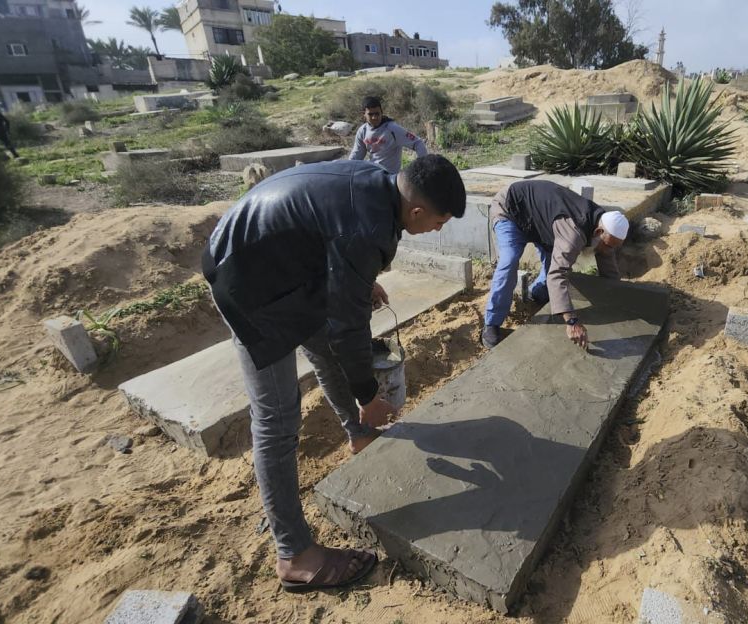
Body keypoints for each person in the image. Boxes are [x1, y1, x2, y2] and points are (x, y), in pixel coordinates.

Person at [202, 155, 466, 592]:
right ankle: (295, 555)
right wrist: (369, 396)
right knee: (276, 420)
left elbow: (331, 241)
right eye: (440, 222)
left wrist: (358, 280)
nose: (438, 230)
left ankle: (359, 435)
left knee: (321, 346)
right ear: (417, 211)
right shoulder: (367, 229)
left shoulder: (376, 185)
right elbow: (349, 331)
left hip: (275, 263)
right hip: (246, 283)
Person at [481, 180, 629, 350]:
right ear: (598, 232)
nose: (610, 250)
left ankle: (535, 294)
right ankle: (491, 324)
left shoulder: (602, 224)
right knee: (510, 260)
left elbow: (606, 258)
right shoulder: (573, 233)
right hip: (511, 209)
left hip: (539, 220)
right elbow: (558, 275)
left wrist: (618, 294)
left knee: (551, 264)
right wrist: (572, 321)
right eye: (609, 245)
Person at [348, 95, 427, 174]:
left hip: (390, 177)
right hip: (373, 174)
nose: (374, 117)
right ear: (363, 114)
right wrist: (346, 169)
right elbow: (357, 154)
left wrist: (423, 167)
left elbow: (418, 143)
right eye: (370, 114)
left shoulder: (393, 129)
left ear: (381, 112)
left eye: (377, 113)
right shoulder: (362, 131)